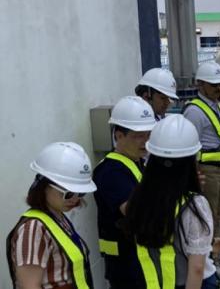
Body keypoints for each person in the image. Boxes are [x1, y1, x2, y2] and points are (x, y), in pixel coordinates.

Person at [123, 115, 220, 289]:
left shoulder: (140, 198)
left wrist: (209, 248)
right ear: (191, 160)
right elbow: (197, 268)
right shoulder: (195, 205)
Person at [6, 142, 98, 289]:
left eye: (81, 193)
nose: (75, 199)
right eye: (68, 194)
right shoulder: (33, 229)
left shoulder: (58, 219)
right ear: (44, 187)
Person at [93, 96, 155, 288]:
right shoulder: (111, 171)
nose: (145, 141)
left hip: (143, 261)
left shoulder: (138, 163)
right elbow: (134, 211)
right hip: (127, 267)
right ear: (119, 135)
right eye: (138, 136)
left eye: (148, 135)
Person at [182, 61, 220, 241]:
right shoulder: (194, 112)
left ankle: (214, 252)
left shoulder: (215, 104)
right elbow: (189, 147)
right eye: (213, 85)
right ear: (200, 84)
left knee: (218, 214)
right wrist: (194, 175)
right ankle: (209, 259)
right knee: (208, 216)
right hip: (207, 171)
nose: (218, 88)